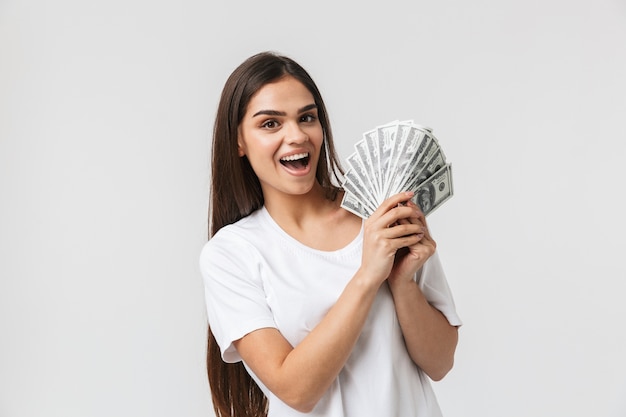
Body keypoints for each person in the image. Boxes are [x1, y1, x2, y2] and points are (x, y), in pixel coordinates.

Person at [199, 51, 462, 417]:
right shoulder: (232, 254)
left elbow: (440, 362)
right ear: (238, 142)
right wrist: (369, 276)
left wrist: (403, 284)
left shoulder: (383, 216)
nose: (296, 136)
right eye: (270, 124)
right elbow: (297, 390)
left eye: (306, 118)